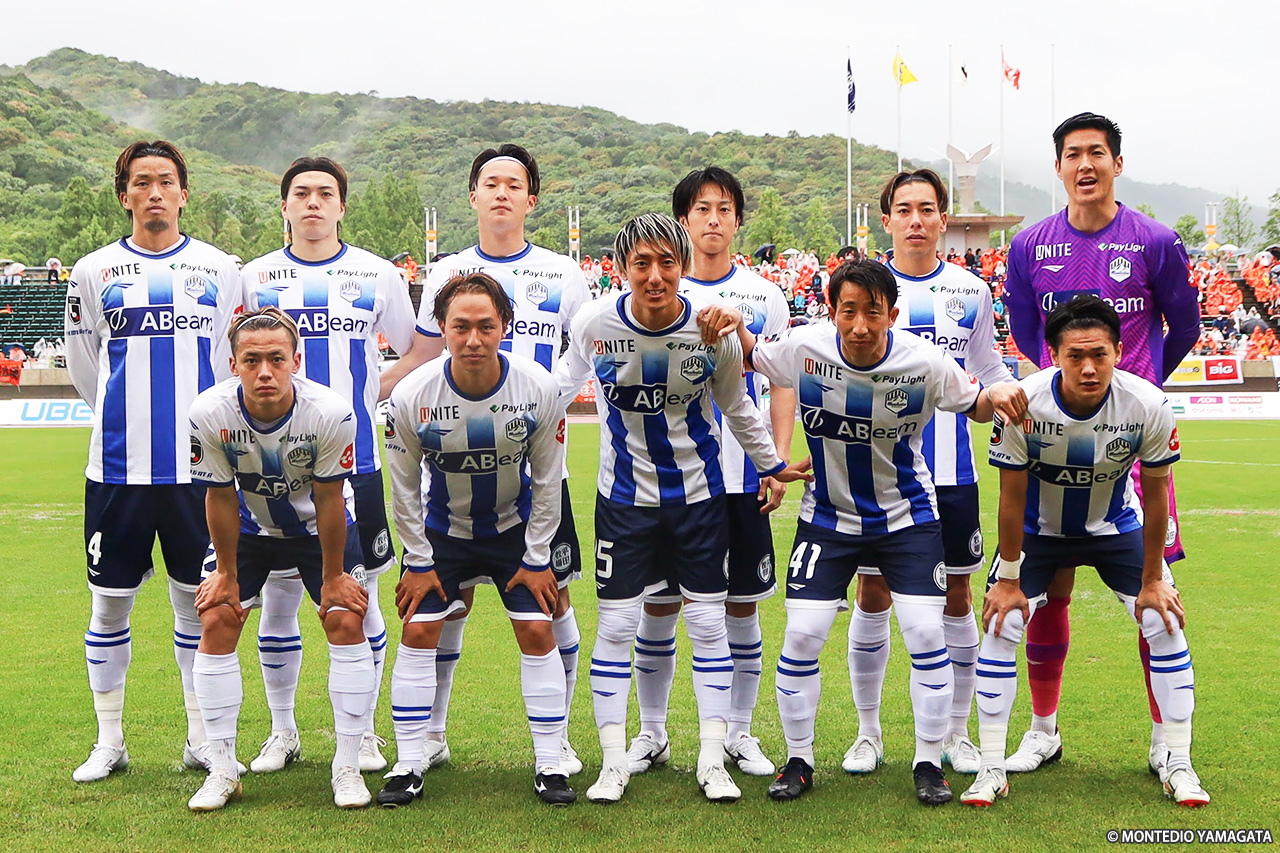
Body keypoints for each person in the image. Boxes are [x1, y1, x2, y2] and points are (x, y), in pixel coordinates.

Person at [554, 213, 810, 804]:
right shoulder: (595, 323)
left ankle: (712, 760)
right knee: (617, 627)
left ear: (684, 266)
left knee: (708, 625)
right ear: (620, 269)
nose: (654, 275)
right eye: (640, 263)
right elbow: (560, 388)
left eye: (667, 262)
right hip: (624, 503)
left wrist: (771, 464)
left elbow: (738, 407)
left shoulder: (709, 329)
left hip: (700, 500)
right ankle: (613, 763)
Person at [732, 259, 997, 805]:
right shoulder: (804, 348)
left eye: (872, 313)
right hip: (827, 518)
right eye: (848, 311)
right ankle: (799, 760)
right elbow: (752, 355)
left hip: (907, 518)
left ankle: (928, 762)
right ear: (831, 311)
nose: (859, 326)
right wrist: (733, 320)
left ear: (892, 315)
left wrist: (1014, 394)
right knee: (802, 635)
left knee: (926, 633)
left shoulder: (924, 361)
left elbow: (977, 405)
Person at [380, 144, 590, 775]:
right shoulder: (447, 270)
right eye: (490, 183)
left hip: (534, 462)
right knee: (449, 608)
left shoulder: (563, 272)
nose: (502, 192)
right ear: (473, 196)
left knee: (551, 602)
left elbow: (584, 350)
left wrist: (549, 400)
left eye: (514, 184)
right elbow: (424, 355)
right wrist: (373, 393)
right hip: (452, 467)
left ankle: (559, 739)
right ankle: (431, 736)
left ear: (531, 199)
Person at [1002, 113, 1200, 779]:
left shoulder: (1155, 240)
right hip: (1054, 438)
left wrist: (1141, 388)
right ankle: (1043, 731)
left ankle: (1166, 741)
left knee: (1155, 590)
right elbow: (1028, 331)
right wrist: (1060, 395)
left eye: (1096, 153)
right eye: (1072, 154)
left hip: (1129, 443)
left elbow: (1185, 324)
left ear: (1117, 162)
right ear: (1058, 167)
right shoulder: (1030, 245)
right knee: (1049, 587)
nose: (1084, 165)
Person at [963, 295, 1207, 808]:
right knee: (1002, 623)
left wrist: (1154, 578)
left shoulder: (1148, 403)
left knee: (1163, 619)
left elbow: (1157, 494)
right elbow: (1011, 498)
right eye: (1075, 356)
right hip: (1039, 532)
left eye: (1100, 354)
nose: (1089, 367)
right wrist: (1008, 579)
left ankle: (1177, 758)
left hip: (1115, 527)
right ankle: (992, 766)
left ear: (1118, 351)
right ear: (1054, 355)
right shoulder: (1023, 404)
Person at [64, 140, 242, 783]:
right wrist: (127, 417)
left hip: (201, 474)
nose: (155, 192)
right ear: (125, 196)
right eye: (142, 182)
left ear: (183, 193)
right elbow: (86, 366)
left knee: (199, 606)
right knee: (110, 605)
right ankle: (109, 741)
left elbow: (227, 365)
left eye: (166, 180)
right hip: (118, 471)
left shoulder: (220, 268)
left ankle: (200, 739)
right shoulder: (92, 270)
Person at [843, 170, 1025, 778]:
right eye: (904, 209)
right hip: (879, 474)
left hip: (951, 472)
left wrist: (1010, 395)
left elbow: (989, 368)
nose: (916, 220)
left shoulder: (970, 290)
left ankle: (955, 732)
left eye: (927, 209)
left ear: (944, 219)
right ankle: (868, 733)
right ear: (887, 220)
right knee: (873, 593)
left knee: (957, 595)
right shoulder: (864, 288)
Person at [238, 157, 414, 776]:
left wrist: (371, 389)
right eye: (301, 193)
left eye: (325, 193)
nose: (313, 202)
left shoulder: (376, 274)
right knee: (279, 600)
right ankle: (282, 731)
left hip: (354, 461)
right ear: (285, 206)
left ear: (342, 205)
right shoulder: (255, 277)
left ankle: (363, 733)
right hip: (269, 463)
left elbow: (416, 347)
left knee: (360, 598)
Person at [622, 168, 796, 780]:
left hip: (741, 479)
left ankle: (738, 733)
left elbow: (779, 383)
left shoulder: (763, 295)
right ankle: (651, 732)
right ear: (682, 221)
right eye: (701, 208)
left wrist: (775, 461)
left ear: (738, 220)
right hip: (667, 485)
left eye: (725, 208)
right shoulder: (659, 289)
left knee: (741, 608)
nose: (714, 219)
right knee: (659, 607)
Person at [186, 307, 375, 811]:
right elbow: (219, 496)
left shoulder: (329, 412)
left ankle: (348, 766)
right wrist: (226, 574)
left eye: (276, 358)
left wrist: (333, 577)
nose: (264, 371)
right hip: (250, 528)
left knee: (345, 618)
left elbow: (330, 498)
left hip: (318, 527)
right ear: (234, 364)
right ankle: (223, 770)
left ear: (296, 361)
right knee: (217, 618)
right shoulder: (209, 412)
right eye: (252, 360)